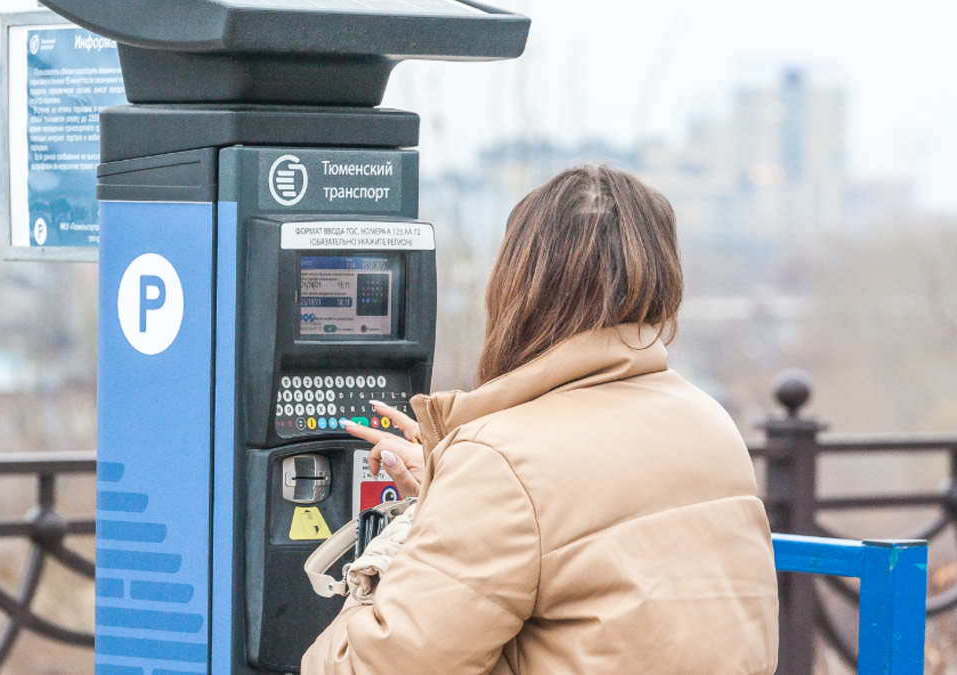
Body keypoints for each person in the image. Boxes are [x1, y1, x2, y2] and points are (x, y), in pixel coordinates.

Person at [302, 165, 779, 675]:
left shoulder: (500, 462)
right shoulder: (709, 422)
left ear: (519, 284)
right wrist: (453, 488)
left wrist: (402, 538)